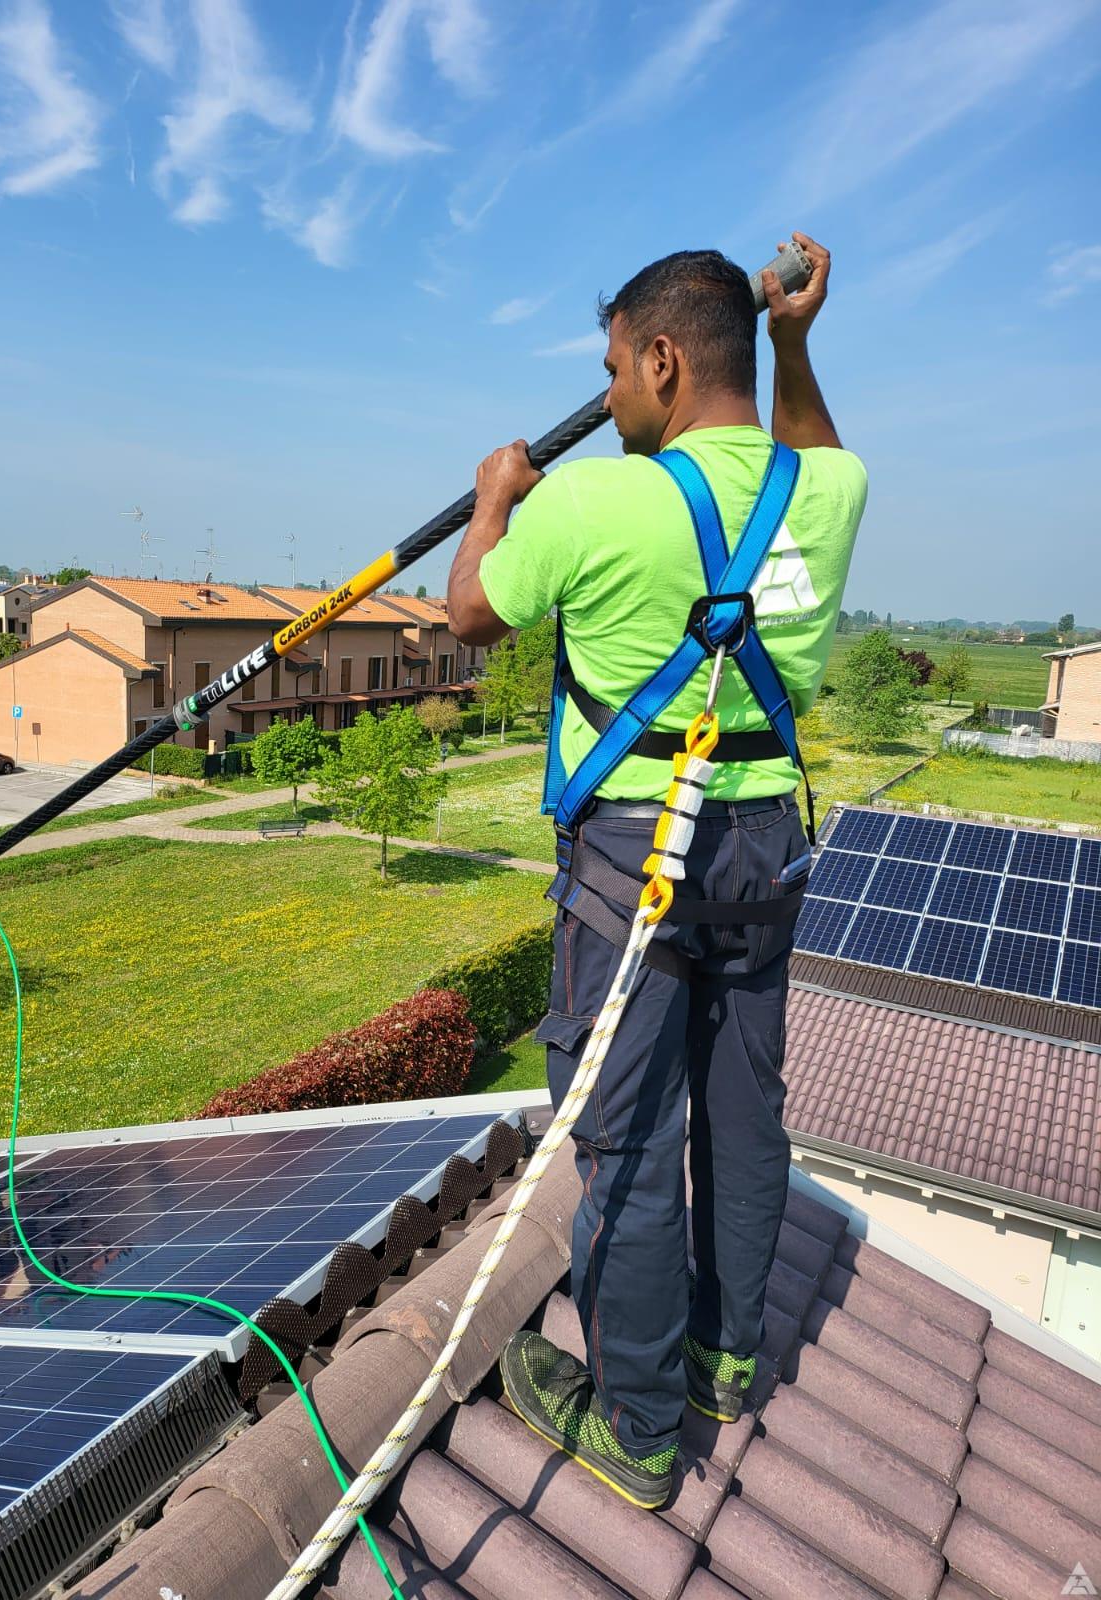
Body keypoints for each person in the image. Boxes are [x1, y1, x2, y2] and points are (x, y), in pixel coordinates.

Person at [446, 234, 867, 1509]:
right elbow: (811, 448)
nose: (613, 396)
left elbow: (469, 614)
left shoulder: (588, 503)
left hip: (633, 861)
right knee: (743, 1111)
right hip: (763, 855)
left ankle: (635, 1426)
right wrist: (794, 340)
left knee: (628, 1140)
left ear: (663, 358)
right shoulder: (828, 493)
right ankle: (724, 1357)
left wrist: (495, 499)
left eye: (617, 370)